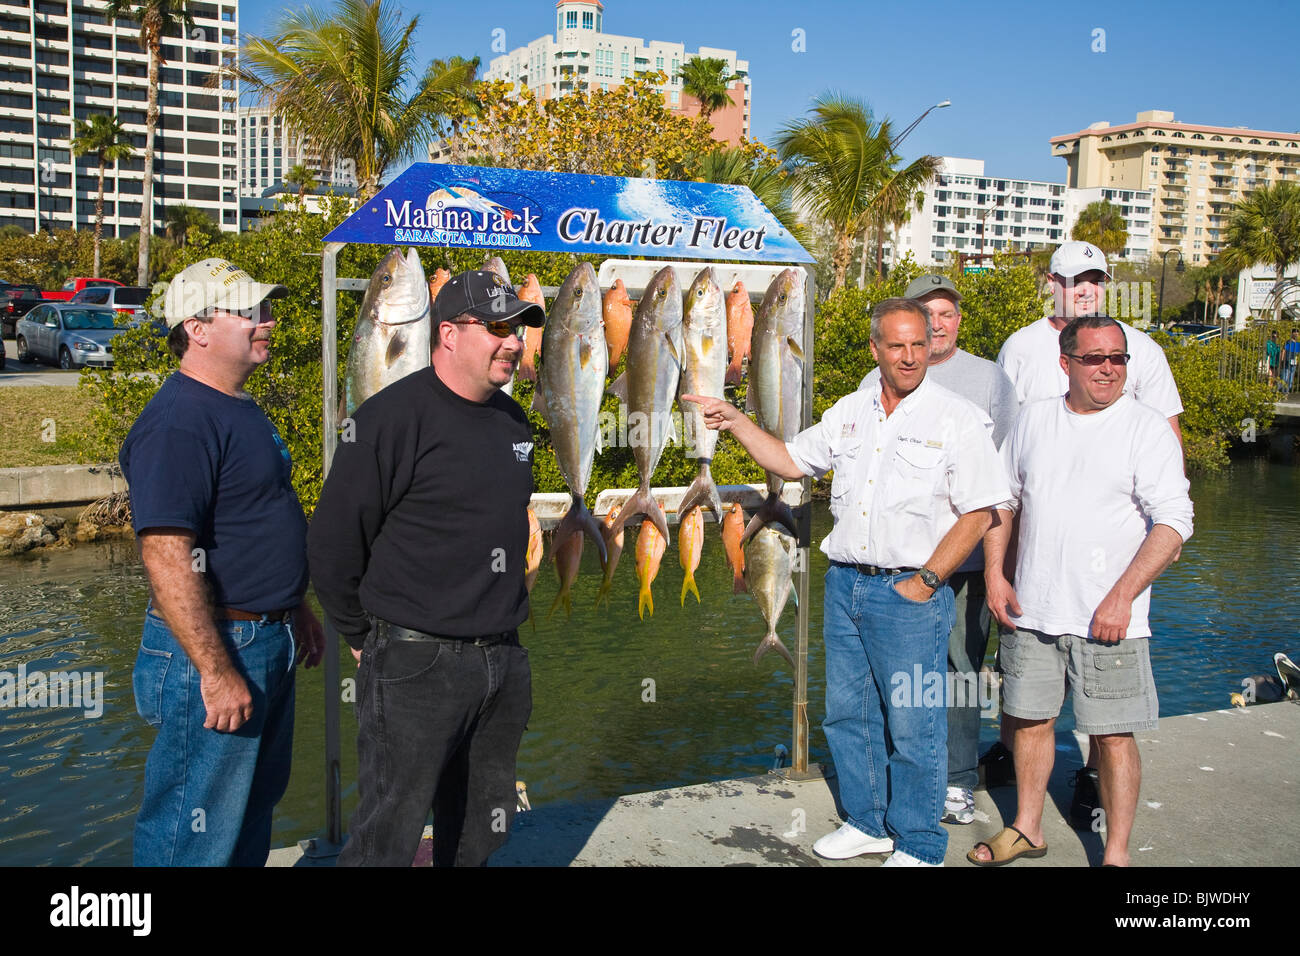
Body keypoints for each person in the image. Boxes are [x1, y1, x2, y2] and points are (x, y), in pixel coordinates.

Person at [685, 299, 1009, 867]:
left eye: (920, 344)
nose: (911, 356)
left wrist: (928, 580)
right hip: (846, 586)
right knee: (849, 715)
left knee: (915, 724)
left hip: (911, 592)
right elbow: (789, 461)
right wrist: (735, 421)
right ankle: (867, 823)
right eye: (898, 345)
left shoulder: (958, 417)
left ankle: (920, 843)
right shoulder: (852, 410)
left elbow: (981, 512)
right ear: (875, 349)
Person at [308, 269, 545, 867]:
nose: (514, 342)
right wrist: (364, 638)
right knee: (387, 833)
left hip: (501, 660)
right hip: (415, 661)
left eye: (517, 329)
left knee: (480, 828)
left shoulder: (515, 423)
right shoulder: (387, 419)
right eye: (497, 328)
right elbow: (333, 544)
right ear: (447, 334)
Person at [121, 257, 325, 866]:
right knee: (192, 829)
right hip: (216, 646)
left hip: (267, 635)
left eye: (266, 309)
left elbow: (252, 521)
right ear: (197, 327)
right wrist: (214, 671)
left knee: (246, 813)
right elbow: (164, 554)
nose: (266, 322)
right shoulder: (179, 421)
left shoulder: (234, 406)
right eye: (248, 311)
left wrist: (296, 606)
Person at [970, 316, 1193, 867]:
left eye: (1118, 358)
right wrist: (997, 575)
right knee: (1029, 719)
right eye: (1095, 358)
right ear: (1065, 363)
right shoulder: (1033, 421)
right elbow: (1004, 502)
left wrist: (1122, 596)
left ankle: (1115, 854)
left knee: (1114, 736)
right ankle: (1027, 828)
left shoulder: (1146, 430)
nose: (1109, 368)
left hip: (1110, 618)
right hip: (1034, 610)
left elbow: (1175, 524)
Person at [861, 274, 1019, 827]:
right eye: (926, 314)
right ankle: (895, 778)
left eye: (947, 313)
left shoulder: (991, 379)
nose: (937, 324)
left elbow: (1003, 481)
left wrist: (999, 567)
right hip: (897, 564)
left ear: (958, 321)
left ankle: (957, 780)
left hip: (967, 562)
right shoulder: (875, 378)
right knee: (893, 674)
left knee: (960, 672)